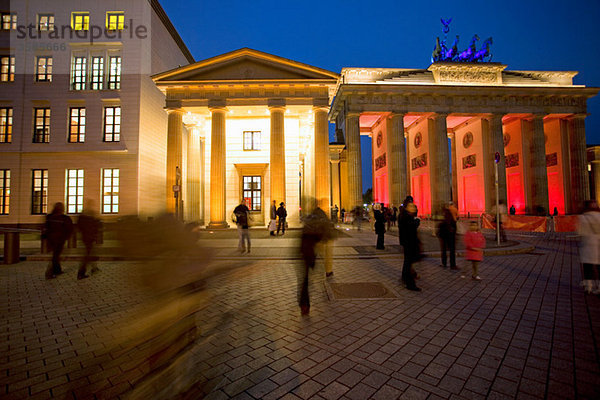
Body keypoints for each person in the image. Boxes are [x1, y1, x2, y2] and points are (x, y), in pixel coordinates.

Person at [299, 206, 334, 314]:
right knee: (312, 276)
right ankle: (326, 274)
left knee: (305, 279)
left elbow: (303, 237)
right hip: (312, 251)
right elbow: (328, 240)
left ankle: (304, 304)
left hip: (306, 252)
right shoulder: (322, 223)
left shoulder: (308, 222)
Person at [44, 202, 73, 279]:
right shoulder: (64, 218)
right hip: (59, 239)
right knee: (55, 256)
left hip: (51, 239)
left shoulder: (49, 217)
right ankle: (49, 273)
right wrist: (67, 237)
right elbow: (69, 229)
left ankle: (58, 270)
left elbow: (46, 228)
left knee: (55, 255)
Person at [578, 200, 600, 294]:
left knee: (587, 266)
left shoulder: (582, 218)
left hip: (587, 244)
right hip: (598, 243)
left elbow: (580, 232)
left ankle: (588, 287)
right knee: (599, 267)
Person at [398, 202, 421, 291]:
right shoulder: (407, 217)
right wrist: (417, 221)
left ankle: (405, 278)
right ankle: (410, 283)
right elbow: (411, 228)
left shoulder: (403, 216)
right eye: (411, 206)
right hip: (409, 242)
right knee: (408, 262)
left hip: (406, 242)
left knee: (407, 262)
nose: (414, 208)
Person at [77, 201, 101, 279]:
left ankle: (94, 268)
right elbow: (95, 227)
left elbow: (80, 227)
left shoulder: (82, 218)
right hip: (89, 238)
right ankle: (81, 272)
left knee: (91, 252)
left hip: (86, 237)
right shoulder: (90, 218)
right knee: (87, 255)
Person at [437, 205, 457, 269]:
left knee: (444, 250)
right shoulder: (450, 215)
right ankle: (452, 265)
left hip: (444, 235)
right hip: (449, 235)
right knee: (451, 250)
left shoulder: (445, 214)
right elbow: (452, 224)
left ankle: (444, 263)